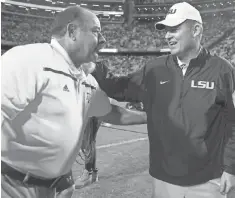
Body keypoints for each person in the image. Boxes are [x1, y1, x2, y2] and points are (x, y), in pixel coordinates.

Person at [1, 6, 147, 198]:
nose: (103, 40)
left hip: (59, 186)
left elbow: (111, 113)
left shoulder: (86, 79)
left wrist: (151, 117)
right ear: (72, 32)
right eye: (96, 31)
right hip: (14, 185)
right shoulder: (28, 61)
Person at [93, 2, 235, 198]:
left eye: (174, 29)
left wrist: (231, 169)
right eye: (166, 30)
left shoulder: (222, 70)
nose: (167, 35)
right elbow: (119, 88)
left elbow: (232, 123)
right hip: (164, 180)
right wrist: (93, 66)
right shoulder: (153, 69)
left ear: (196, 30)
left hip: (210, 180)